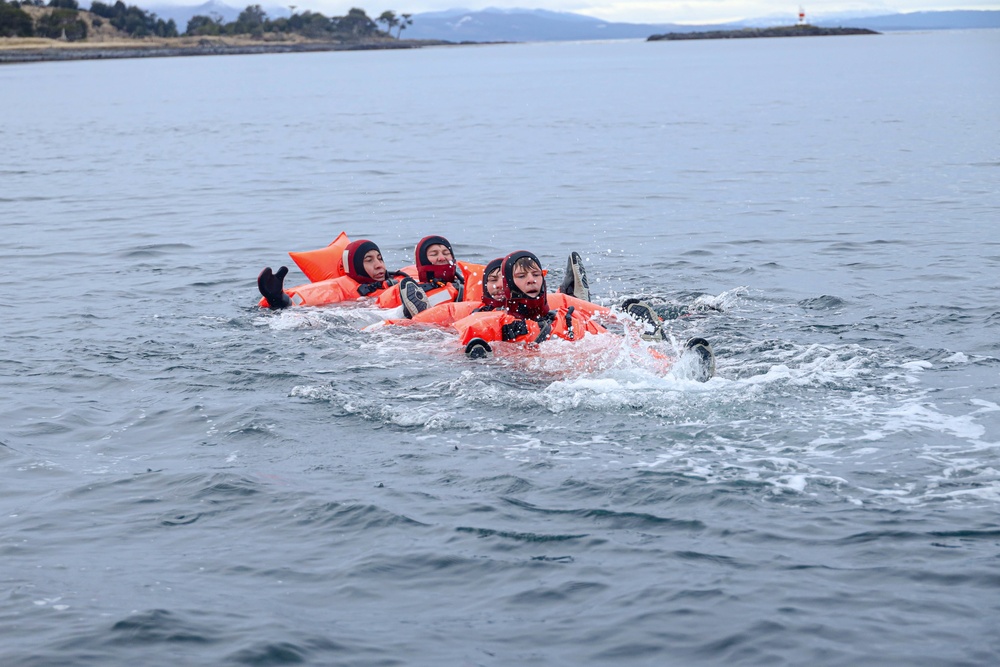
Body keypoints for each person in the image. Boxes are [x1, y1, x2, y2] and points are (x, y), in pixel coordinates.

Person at [258, 239, 428, 316]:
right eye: (369, 260)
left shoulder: (399, 278)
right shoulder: (338, 289)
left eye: (380, 258)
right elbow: (298, 302)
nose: (378, 265)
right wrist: (278, 298)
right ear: (354, 266)